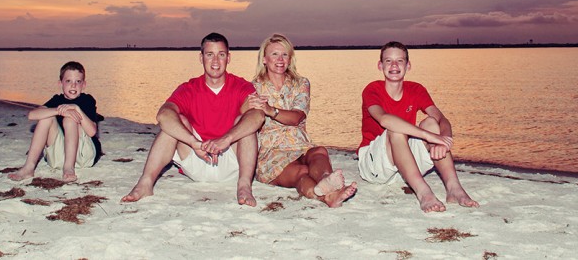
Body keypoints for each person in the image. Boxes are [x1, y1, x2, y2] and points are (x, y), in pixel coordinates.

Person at [121, 33, 264, 206]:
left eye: (221, 54)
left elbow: (258, 116)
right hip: (197, 157)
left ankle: (244, 186)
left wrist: (226, 139)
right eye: (209, 54)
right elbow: (163, 115)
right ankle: (145, 183)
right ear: (201, 57)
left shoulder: (241, 86)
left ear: (229, 58)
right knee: (175, 121)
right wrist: (194, 142)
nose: (216, 61)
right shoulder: (189, 88)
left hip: (231, 162)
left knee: (246, 122)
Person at [358, 41, 478, 212]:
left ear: (408, 65)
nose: (394, 65)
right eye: (388, 61)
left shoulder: (416, 89)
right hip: (374, 165)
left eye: (400, 61)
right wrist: (429, 137)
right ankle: (424, 194)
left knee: (431, 122)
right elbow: (384, 120)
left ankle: (454, 188)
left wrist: (443, 140)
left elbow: (441, 119)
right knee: (396, 128)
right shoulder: (372, 89)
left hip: (404, 166)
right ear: (380, 65)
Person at [247, 34, 357, 207]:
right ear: (264, 60)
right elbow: (242, 116)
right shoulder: (253, 87)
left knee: (319, 151)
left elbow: (297, 117)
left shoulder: (301, 83)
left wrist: (270, 110)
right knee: (302, 172)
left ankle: (326, 181)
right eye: (274, 54)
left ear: (290, 59)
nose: (280, 59)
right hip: (272, 152)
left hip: (300, 145)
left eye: (285, 54)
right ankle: (327, 197)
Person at [9, 60, 103, 183]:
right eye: (68, 81)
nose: (73, 85)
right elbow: (32, 115)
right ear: (61, 83)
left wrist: (76, 109)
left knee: (70, 119)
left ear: (84, 85)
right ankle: (29, 167)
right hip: (58, 157)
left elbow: (91, 132)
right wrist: (59, 111)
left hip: (83, 155)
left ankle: (69, 168)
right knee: (45, 117)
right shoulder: (56, 100)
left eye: (78, 82)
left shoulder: (87, 100)